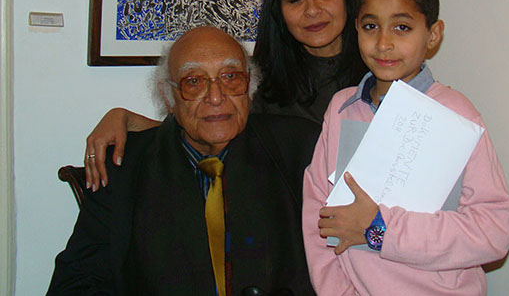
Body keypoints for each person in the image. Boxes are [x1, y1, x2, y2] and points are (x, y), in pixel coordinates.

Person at [48, 26, 319, 295]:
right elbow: (76, 284)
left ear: (250, 86)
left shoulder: (301, 149)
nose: (216, 97)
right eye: (194, 82)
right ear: (168, 97)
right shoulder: (123, 169)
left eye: (231, 77)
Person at [302, 0, 509, 295]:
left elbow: (493, 232)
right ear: (356, 27)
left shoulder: (457, 116)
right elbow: (316, 215)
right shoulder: (342, 110)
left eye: (402, 27)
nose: (383, 43)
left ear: (433, 35)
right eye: (371, 26)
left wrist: (379, 228)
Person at [84, 0, 366, 191]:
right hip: (291, 222)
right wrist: (125, 119)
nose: (312, 9)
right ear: (279, 12)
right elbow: (205, 137)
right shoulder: (258, 83)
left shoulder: (378, 76)